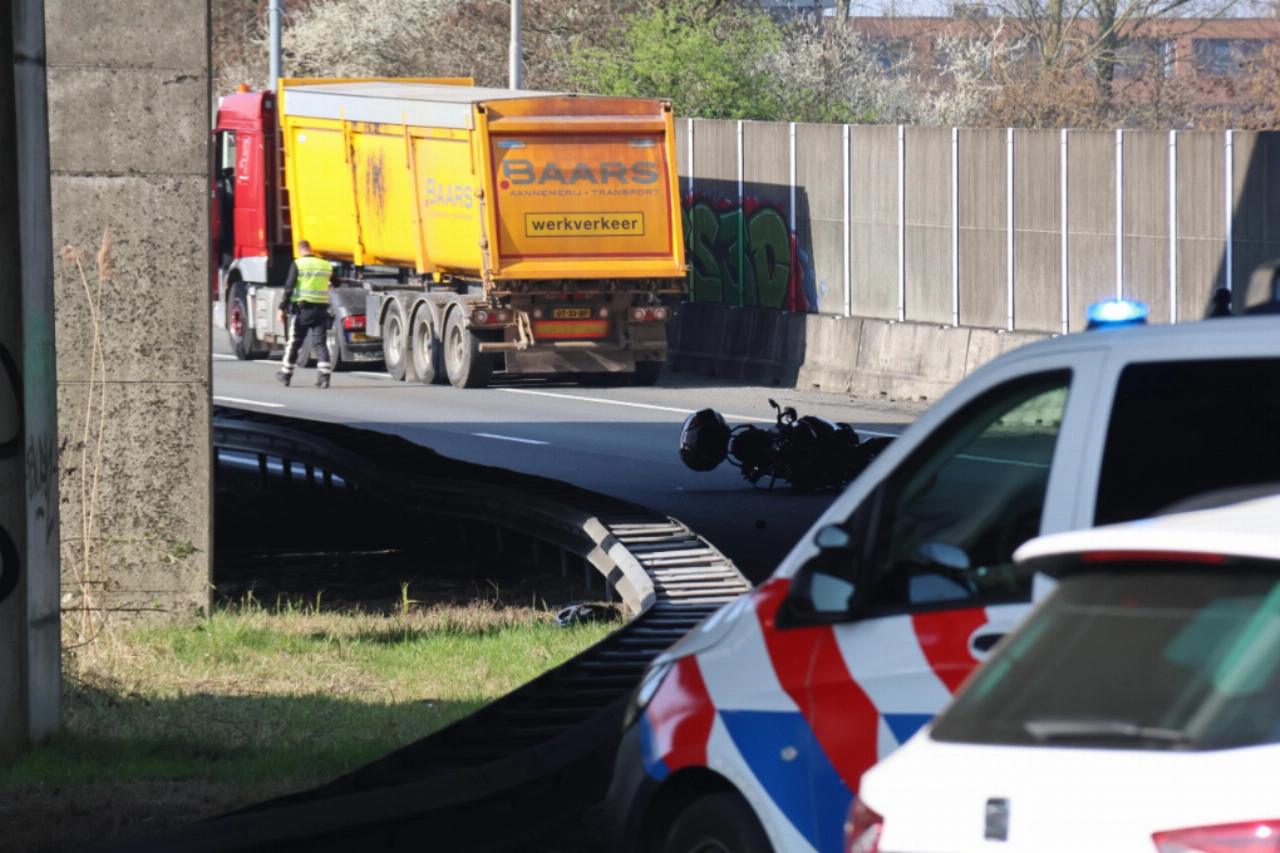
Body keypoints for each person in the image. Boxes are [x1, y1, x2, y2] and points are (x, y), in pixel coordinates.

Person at [276, 240, 337, 388]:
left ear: (299, 251)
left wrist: (282, 308)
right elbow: (337, 282)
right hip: (321, 310)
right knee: (320, 343)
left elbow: (289, 287)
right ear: (311, 249)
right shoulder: (325, 264)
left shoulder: (298, 264)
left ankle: (286, 374)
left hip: (304, 310)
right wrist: (329, 284)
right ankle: (324, 378)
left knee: (295, 342)